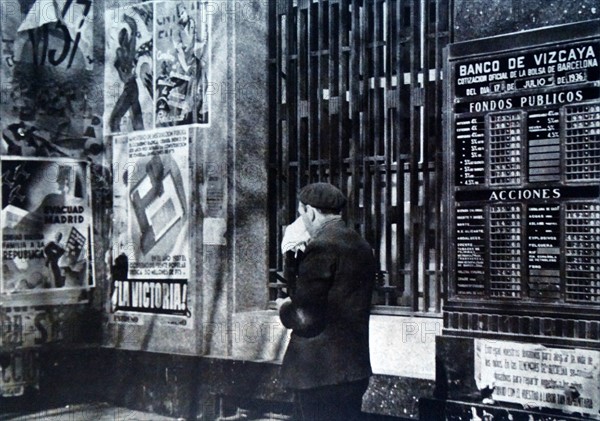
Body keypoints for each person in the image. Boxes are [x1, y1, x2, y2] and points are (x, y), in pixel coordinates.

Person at [276, 182, 376, 421]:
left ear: (309, 211)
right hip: (353, 369)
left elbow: (305, 316)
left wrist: (284, 308)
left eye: (301, 214)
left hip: (318, 373)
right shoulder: (362, 246)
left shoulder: (321, 247)